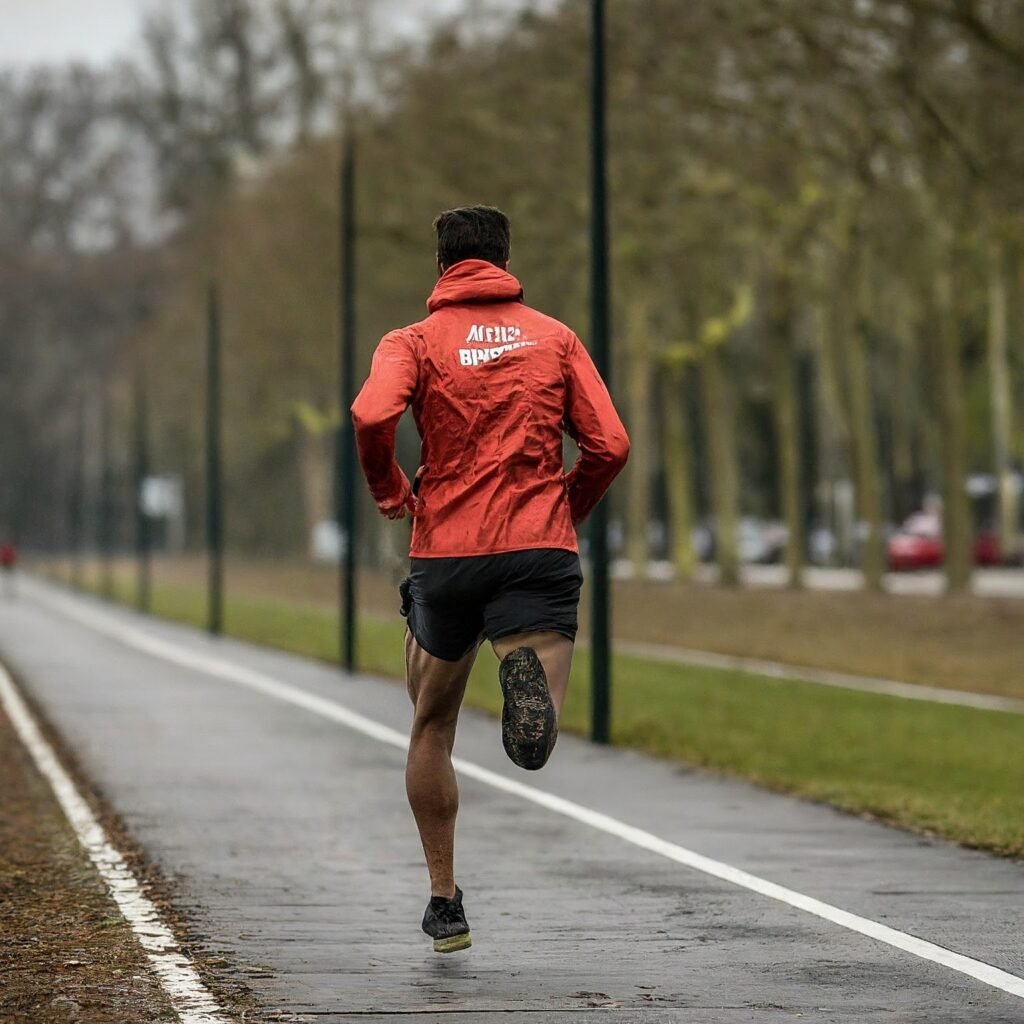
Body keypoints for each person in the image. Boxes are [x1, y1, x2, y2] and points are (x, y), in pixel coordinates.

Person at [351, 206, 629, 954]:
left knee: (430, 725)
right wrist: (565, 506)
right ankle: (525, 680)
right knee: (535, 716)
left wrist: (390, 490)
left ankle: (444, 901)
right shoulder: (555, 337)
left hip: (447, 551)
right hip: (536, 544)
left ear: (443, 265)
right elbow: (609, 443)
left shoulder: (412, 341)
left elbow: (372, 416)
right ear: (505, 260)